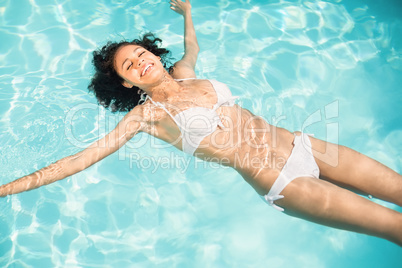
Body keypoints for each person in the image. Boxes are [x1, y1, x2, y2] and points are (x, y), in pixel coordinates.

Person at [1, 0, 401, 246]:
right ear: (126, 81)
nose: (141, 60)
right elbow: (78, 161)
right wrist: (5, 189)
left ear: (153, 54)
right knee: (394, 227)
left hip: (306, 146)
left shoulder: (187, 72)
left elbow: (193, 46)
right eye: (130, 64)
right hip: (284, 183)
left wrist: (188, 13)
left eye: (141, 52)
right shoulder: (147, 118)